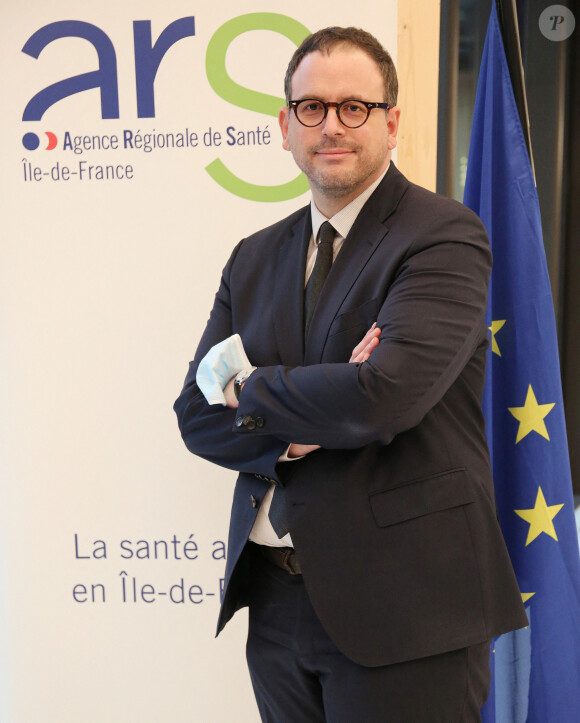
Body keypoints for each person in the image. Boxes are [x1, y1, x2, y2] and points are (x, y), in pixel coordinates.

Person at [174, 26, 527, 722]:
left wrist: (253, 389)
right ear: (285, 125)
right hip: (275, 606)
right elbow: (194, 414)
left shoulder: (442, 235)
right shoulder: (253, 257)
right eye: (312, 107)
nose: (331, 125)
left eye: (354, 107)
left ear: (392, 123)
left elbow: (382, 397)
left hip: (406, 611)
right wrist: (301, 430)